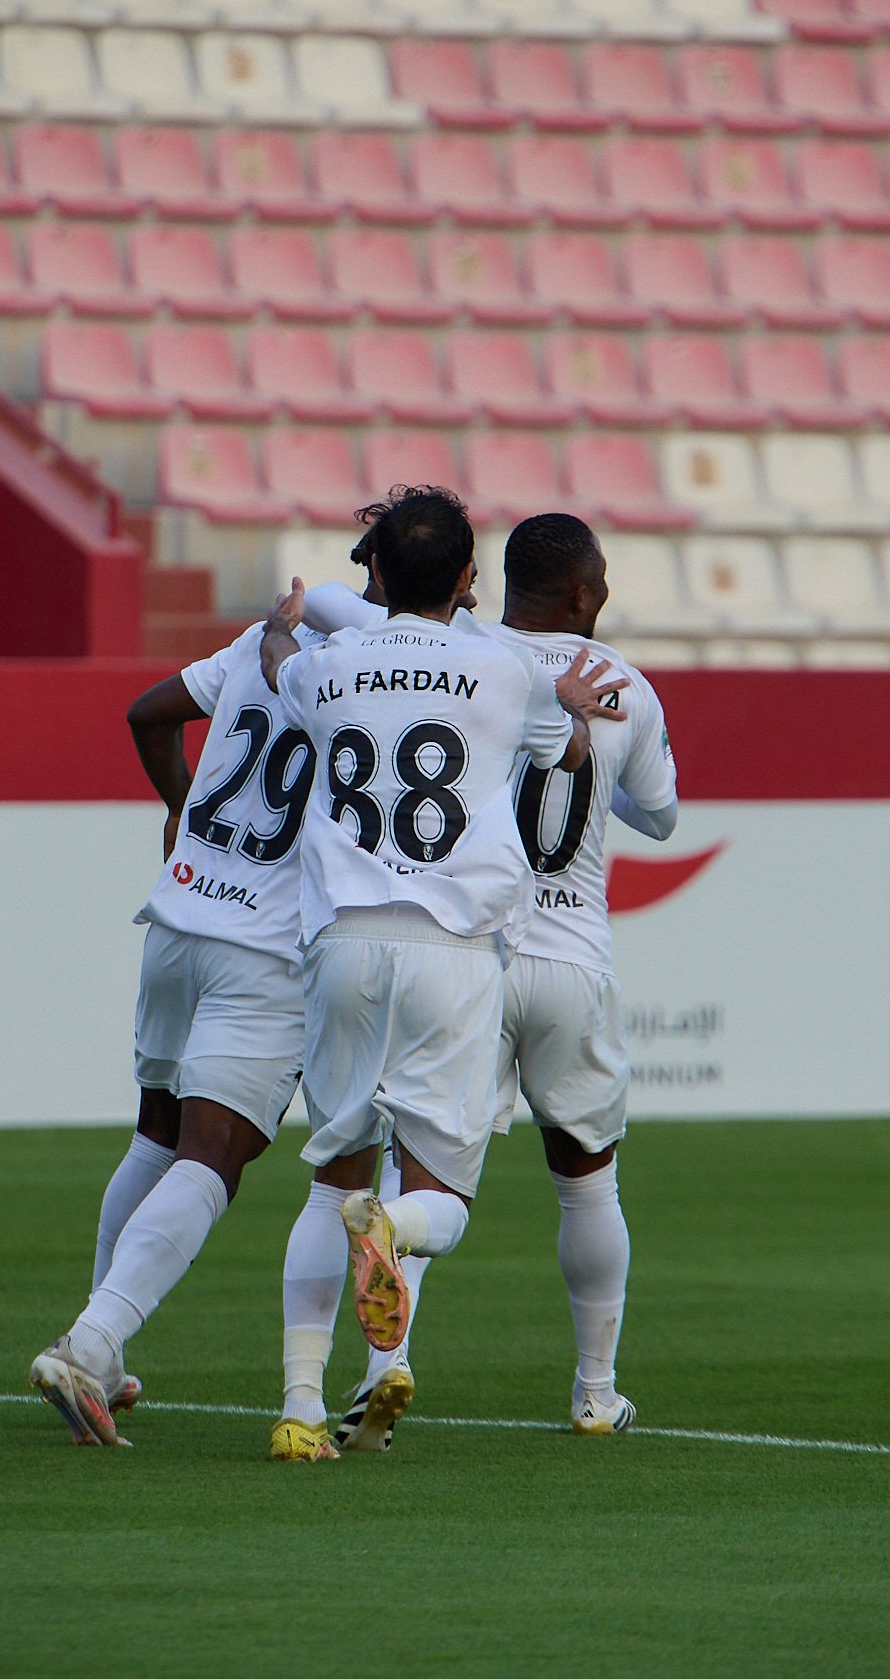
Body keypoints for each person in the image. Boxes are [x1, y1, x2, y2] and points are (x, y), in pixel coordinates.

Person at [260, 486, 626, 1462]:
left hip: (342, 943)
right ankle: (391, 1225)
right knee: (441, 1205)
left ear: (375, 571)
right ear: (468, 578)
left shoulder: (324, 666)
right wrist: (568, 710)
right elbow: (566, 753)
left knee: (327, 1181)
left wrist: (281, 631)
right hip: (453, 948)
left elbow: (281, 670)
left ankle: (298, 1409)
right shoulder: (505, 669)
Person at [28, 602, 329, 1447]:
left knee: (156, 1136)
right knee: (213, 1157)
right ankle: (90, 1343)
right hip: (266, 949)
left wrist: (182, 806)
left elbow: (148, 713)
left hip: (179, 918)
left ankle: (100, 1352)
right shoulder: (386, 667)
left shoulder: (271, 637)